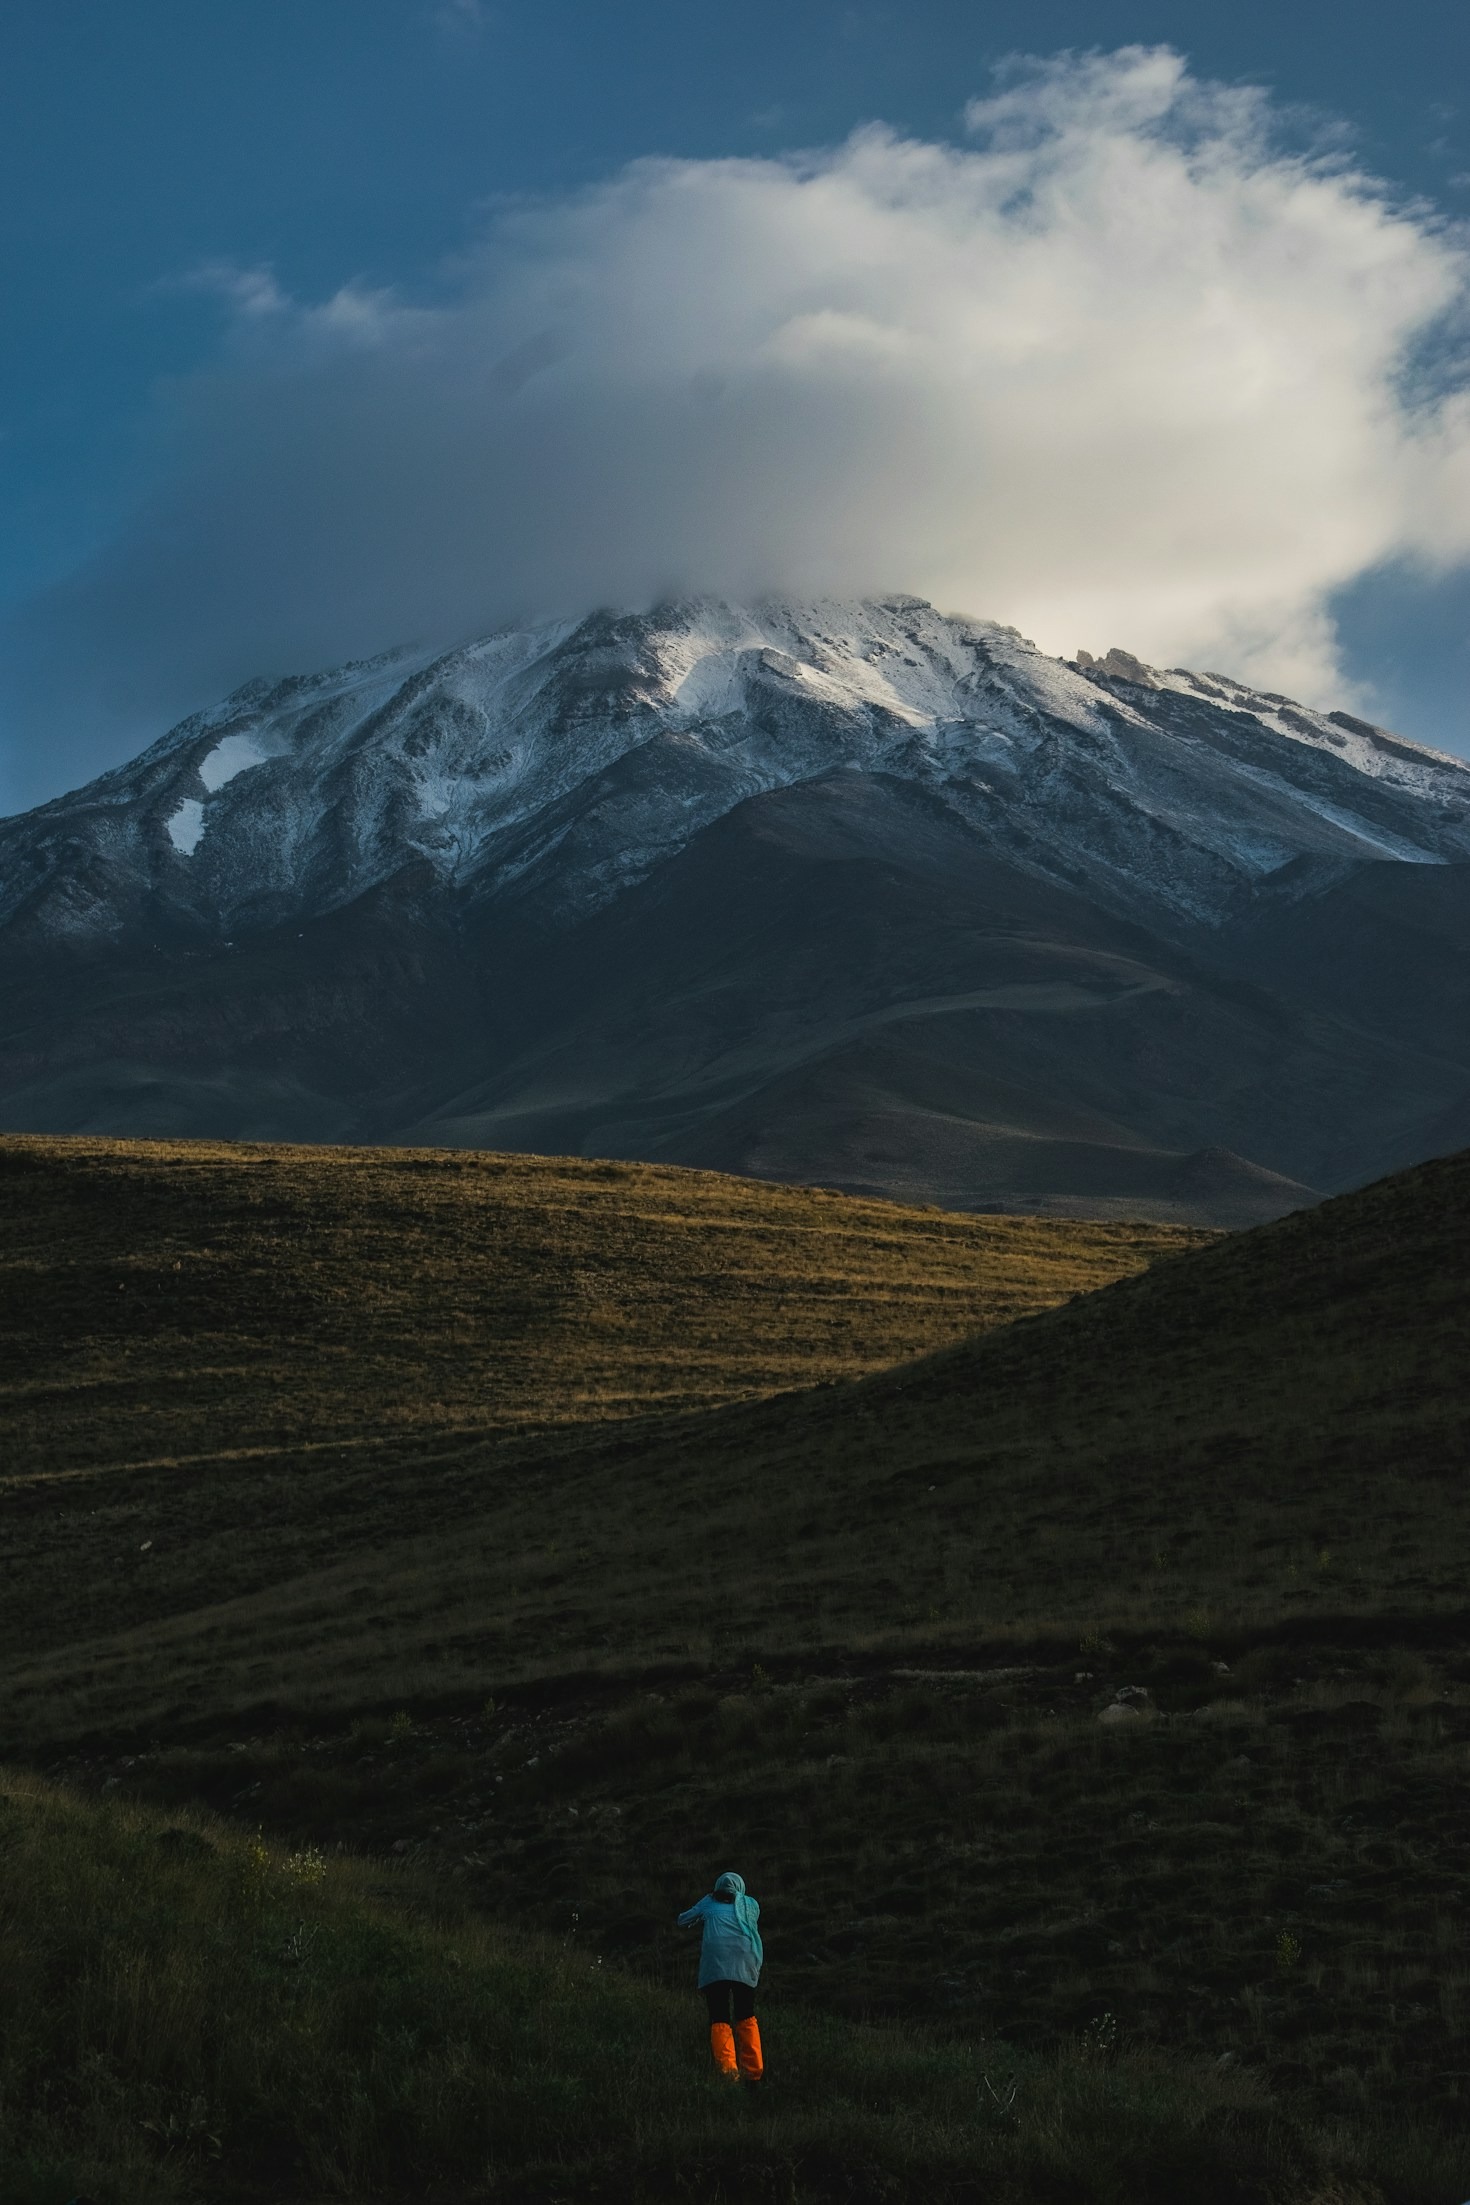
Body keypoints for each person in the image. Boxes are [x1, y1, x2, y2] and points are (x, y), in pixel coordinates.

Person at [677, 1870, 764, 2082]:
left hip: (716, 1965)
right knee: (746, 2014)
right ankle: (754, 2074)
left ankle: (728, 2074)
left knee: (720, 2016)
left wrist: (706, 1904)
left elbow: (682, 1920)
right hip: (745, 1962)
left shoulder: (709, 1902)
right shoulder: (750, 1904)